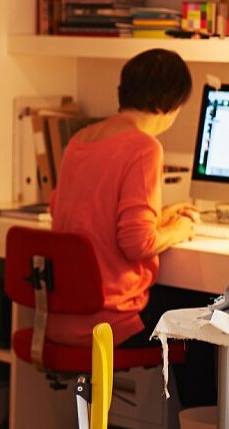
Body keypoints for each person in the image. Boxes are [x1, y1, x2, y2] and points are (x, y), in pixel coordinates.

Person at [49, 48, 215, 406]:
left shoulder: (81, 140)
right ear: (172, 104)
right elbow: (137, 244)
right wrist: (181, 229)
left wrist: (161, 214)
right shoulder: (143, 147)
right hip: (110, 322)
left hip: (63, 317)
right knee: (209, 313)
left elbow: (86, 216)